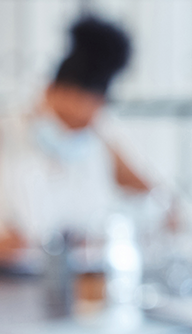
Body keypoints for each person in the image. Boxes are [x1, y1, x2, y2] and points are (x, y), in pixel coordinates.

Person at [0, 15, 155, 259]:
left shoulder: (100, 141)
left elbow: (155, 196)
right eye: (63, 117)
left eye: (81, 124)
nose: (69, 131)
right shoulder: (7, 134)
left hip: (82, 284)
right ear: (47, 90)